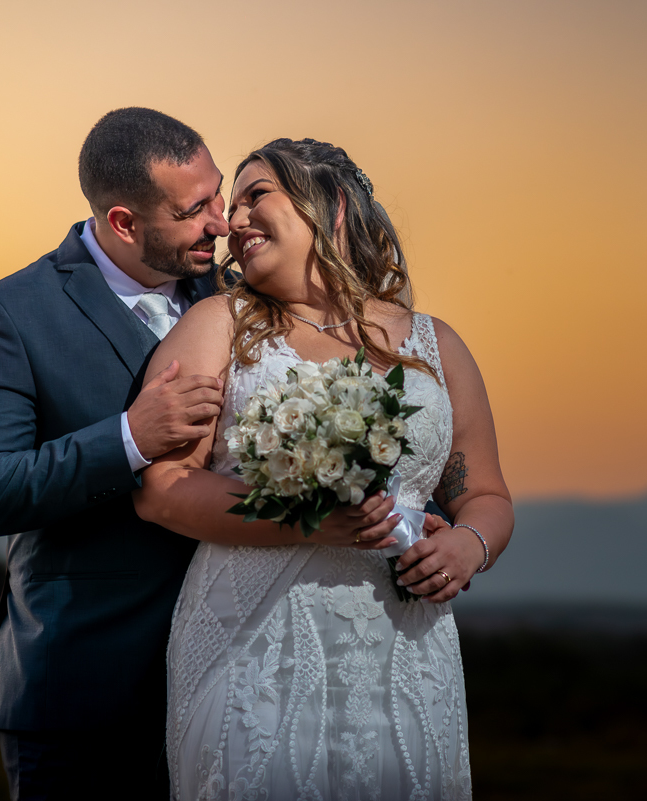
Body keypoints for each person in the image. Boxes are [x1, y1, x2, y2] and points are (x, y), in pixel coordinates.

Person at [0, 110, 401, 799]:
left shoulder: (241, 296)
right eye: (195, 210)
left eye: (221, 194)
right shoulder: (12, 312)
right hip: (89, 693)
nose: (223, 223)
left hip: (247, 681)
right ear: (124, 222)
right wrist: (127, 438)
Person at [134, 138, 514, 800]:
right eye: (232, 206)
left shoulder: (436, 344)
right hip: (256, 648)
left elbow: (485, 493)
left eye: (257, 196)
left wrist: (467, 544)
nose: (234, 221)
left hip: (404, 645)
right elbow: (162, 490)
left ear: (331, 205)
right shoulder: (218, 325)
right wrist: (307, 521)